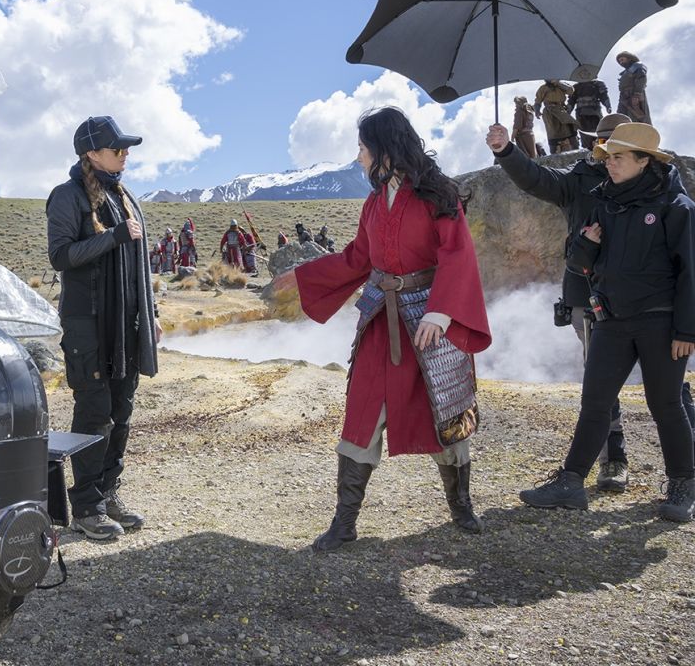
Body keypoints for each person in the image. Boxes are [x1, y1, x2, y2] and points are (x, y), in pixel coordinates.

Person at [291, 107, 491, 551]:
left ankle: (461, 507)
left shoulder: (439, 194)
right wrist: (305, 275)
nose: (359, 158)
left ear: (383, 149)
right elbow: (358, 260)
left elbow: (457, 254)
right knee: (363, 413)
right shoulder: (373, 203)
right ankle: (344, 524)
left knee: (447, 410)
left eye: (363, 148)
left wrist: (442, 313)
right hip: (382, 320)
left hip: (433, 322)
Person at [519, 124, 694, 522]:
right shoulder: (605, 203)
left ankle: (684, 484)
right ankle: (571, 482)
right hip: (611, 319)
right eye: (607, 157)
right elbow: (581, 267)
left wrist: (687, 330)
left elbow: (690, 273)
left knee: (665, 404)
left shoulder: (676, 207)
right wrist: (587, 244)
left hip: (661, 323)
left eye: (618, 157)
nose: (609, 163)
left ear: (644, 161)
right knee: (594, 403)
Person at [486, 113, 636, 490]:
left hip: (644, 295)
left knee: (664, 380)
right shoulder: (577, 179)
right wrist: (506, 151)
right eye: (602, 143)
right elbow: (536, 180)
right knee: (600, 379)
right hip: (588, 295)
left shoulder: (650, 182)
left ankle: (683, 464)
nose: (605, 151)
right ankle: (612, 458)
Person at [47, 115, 159, 540]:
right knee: (94, 414)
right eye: (118, 149)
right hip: (87, 325)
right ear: (92, 153)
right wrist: (112, 236)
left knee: (122, 411)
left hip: (125, 323)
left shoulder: (125, 195)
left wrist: (152, 317)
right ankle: (87, 505)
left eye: (126, 149)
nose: (126, 154)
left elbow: (137, 270)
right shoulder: (67, 196)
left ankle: (109, 492)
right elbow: (61, 256)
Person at [533, 79, 579, 153]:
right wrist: (537, 111)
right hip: (550, 113)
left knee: (571, 130)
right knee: (553, 134)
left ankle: (576, 150)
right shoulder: (543, 88)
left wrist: (558, 83)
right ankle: (554, 153)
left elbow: (571, 91)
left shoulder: (562, 86)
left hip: (562, 111)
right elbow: (537, 101)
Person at [615, 51, 651, 124]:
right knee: (621, 117)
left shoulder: (637, 66)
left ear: (629, 59)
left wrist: (637, 94)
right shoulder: (624, 73)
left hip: (634, 94)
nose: (621, 62)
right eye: (619, 61)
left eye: (622, 59)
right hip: (624, 97)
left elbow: (641, 78)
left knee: (637, 117)